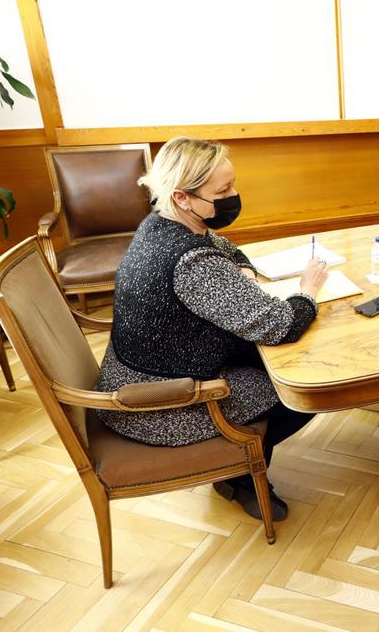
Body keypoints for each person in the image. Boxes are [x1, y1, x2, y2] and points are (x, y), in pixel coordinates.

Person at [96, 137, 322, 521]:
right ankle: (241, 474)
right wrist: (308, 293)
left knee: (274, 367)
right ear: (183, 197)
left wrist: (244, 273)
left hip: (134, 374)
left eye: (233, 183)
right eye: (224, 190)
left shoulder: (161, 223)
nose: (234, 195)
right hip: (158, 404)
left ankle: (240, 472)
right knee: (302, 388)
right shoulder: (192, 262)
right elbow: (279, 325)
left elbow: (227, 248)